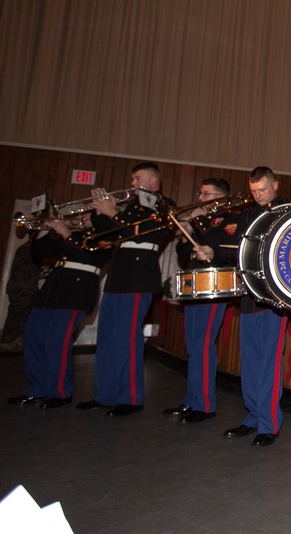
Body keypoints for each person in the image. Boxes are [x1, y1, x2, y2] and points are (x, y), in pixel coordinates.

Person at [76, 162, 174, 417]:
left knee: (128, 339)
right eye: (132, 179)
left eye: (137, 178)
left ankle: (130, 397)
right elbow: (108, 231)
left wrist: (113, 212)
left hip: (138, 278)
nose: (132, 184)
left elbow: (144, 234)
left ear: (154, 182)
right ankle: (105, 394)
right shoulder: (132, 206)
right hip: (118, 277)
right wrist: (98, 211)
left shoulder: (162, 205)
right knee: (107, 338)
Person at [208, 167, 290, 447]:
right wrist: (213, 252)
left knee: (269, 363)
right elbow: (233, 247)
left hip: (273, 297)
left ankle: (269, 423)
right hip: (248, 296)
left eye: (263, 190)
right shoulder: (247, 214)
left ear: (275, 185)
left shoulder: (288, 212)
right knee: (251, 362)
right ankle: (253, 416)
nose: (257, 196)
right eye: (254, 191)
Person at [7, 215, 108, 407]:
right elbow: (40, 252)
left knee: (56, 342)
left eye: (89, 213)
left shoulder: (107, 236)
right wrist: (45, 229)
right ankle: (38, 389)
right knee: (32, 339)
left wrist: (66, 233)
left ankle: (60, 392)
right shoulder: (77, 234)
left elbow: (87, 257)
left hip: (76, 293)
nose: (83, 216)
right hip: (52, 291)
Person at [161, 178, 239, 424]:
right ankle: (192, 399)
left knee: (203, 345)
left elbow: (222, 246)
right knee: (193, 346)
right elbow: (183, 254)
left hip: (213, 285)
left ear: (220, 197)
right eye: (201, 193)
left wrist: (197, 222)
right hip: (195, 284)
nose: (201, 198)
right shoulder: (199, 221)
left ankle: (205, 404)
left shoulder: (230, 219)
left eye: (207, 194)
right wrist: (187, 230)